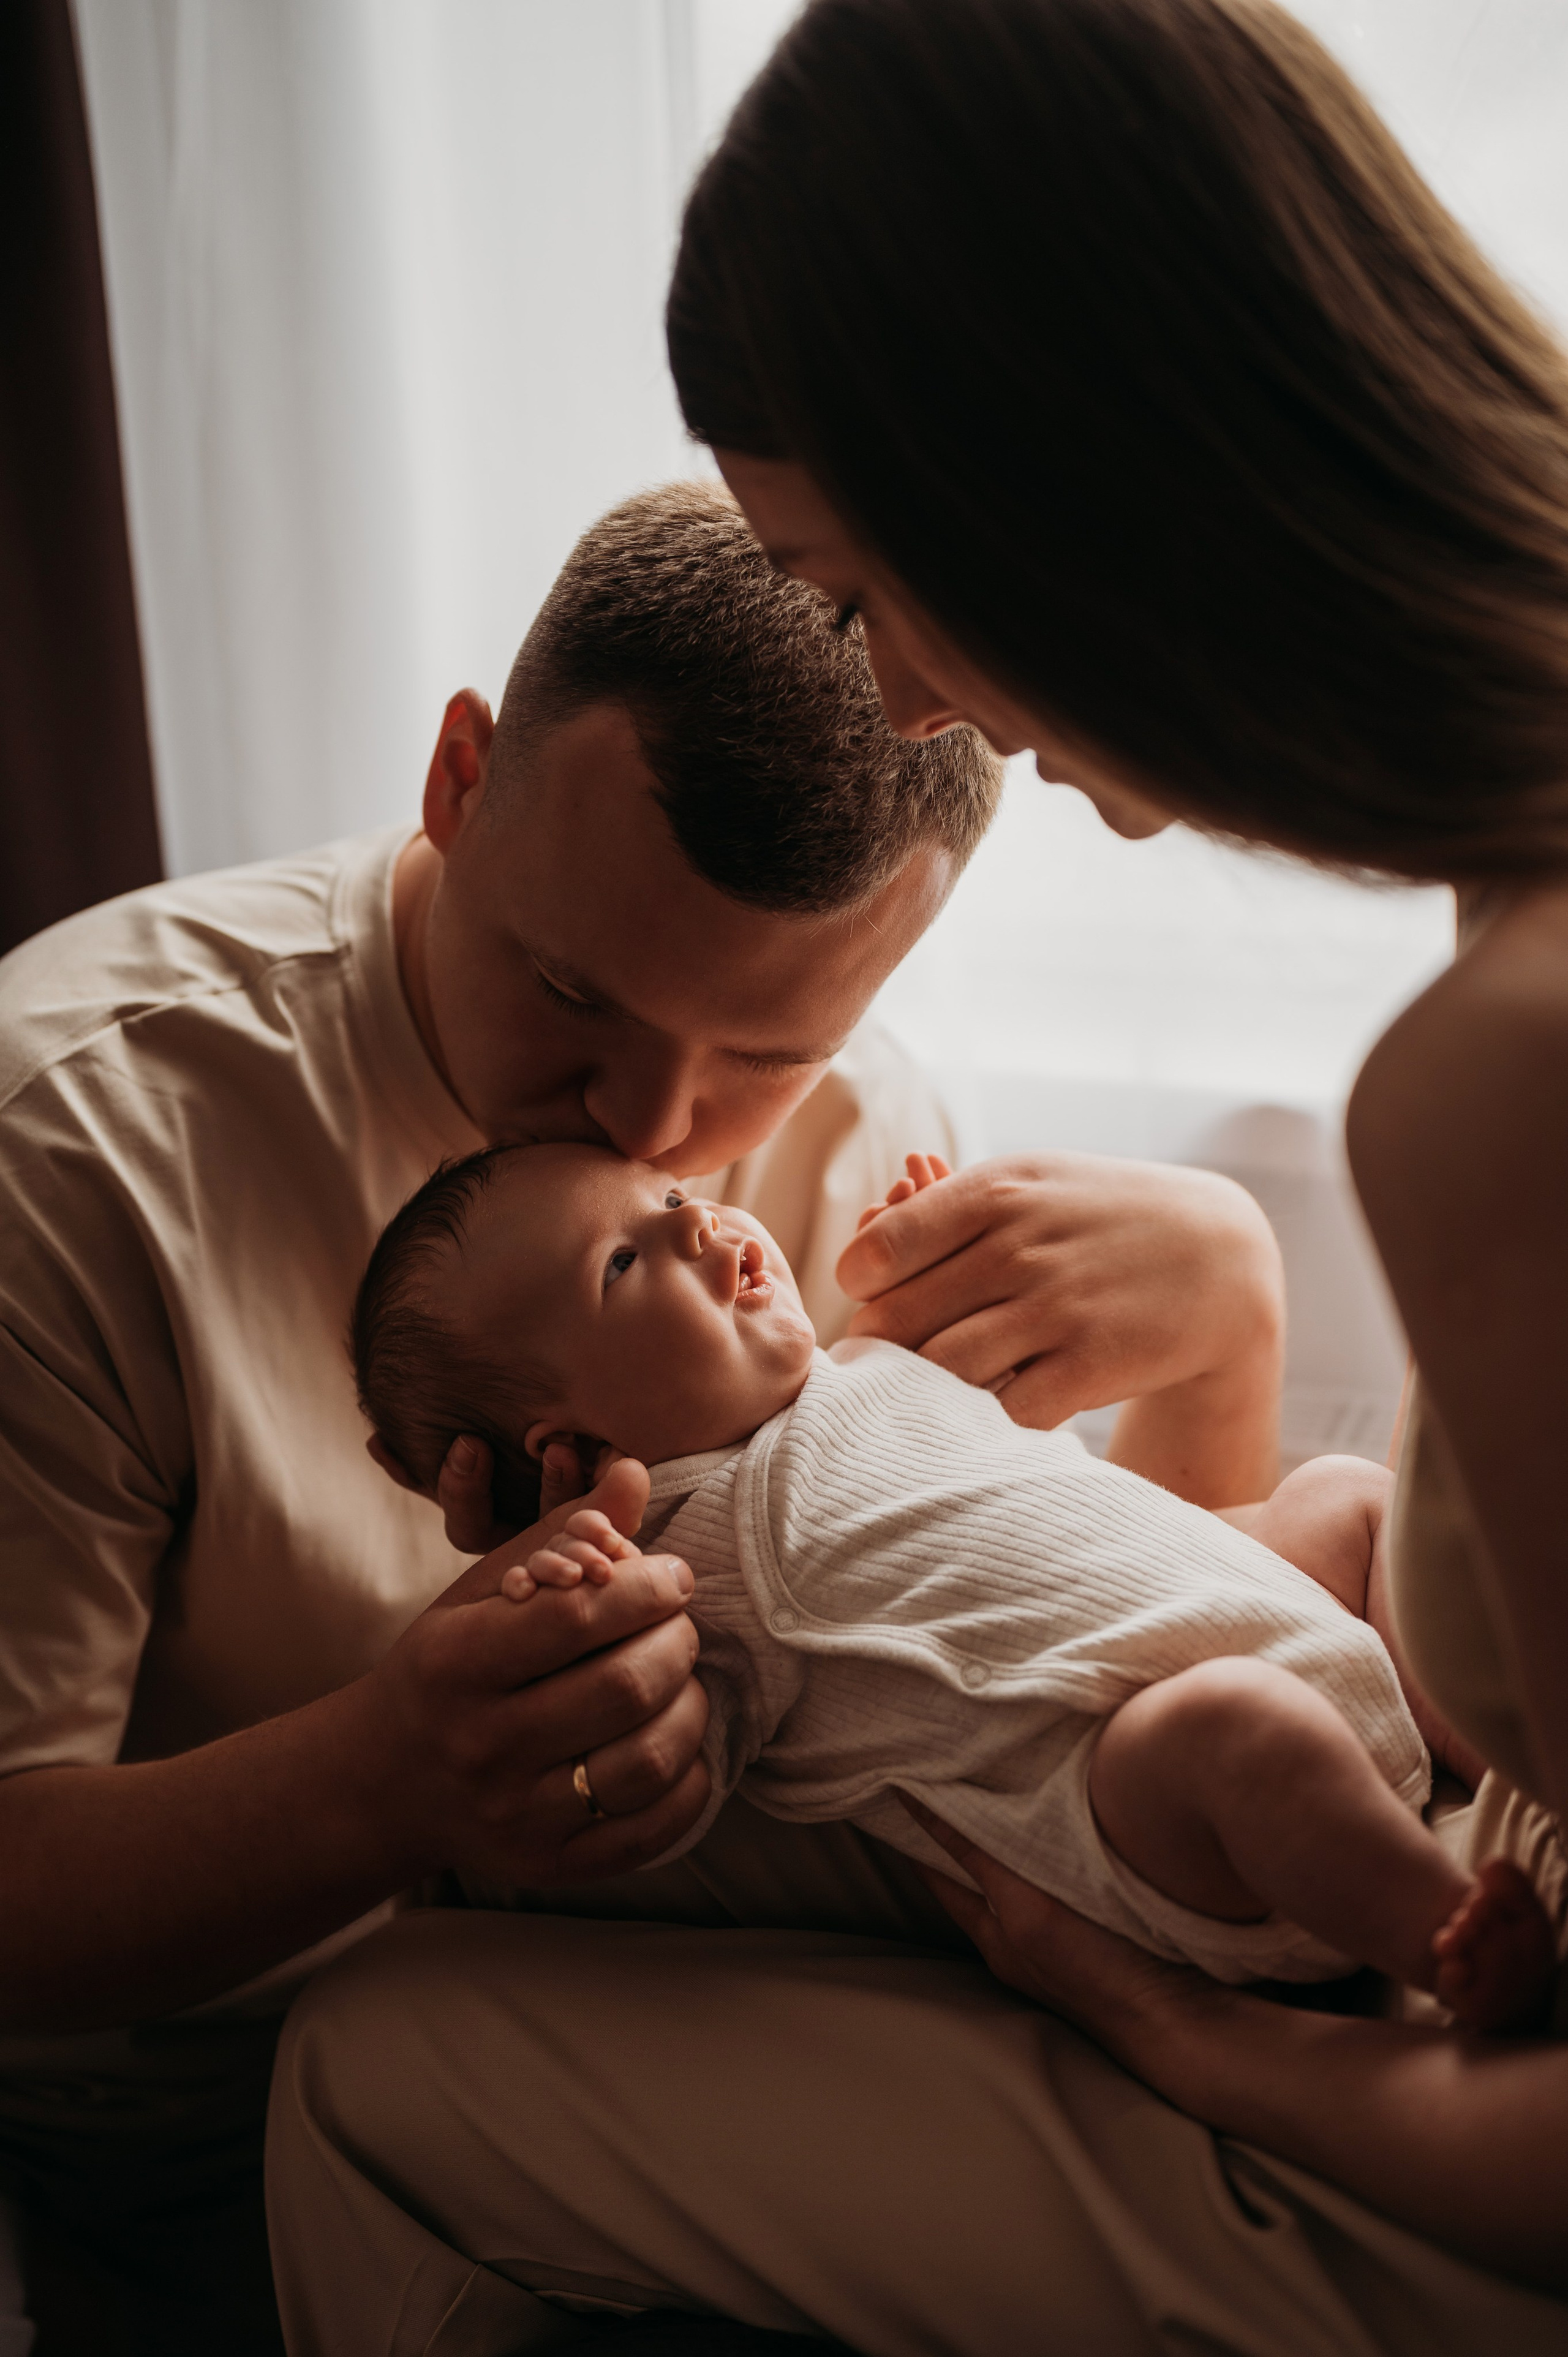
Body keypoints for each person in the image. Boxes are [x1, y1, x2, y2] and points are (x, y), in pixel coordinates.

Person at [264, 2, 1568, 2350]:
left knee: (372, 2051)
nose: (895, 712)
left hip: (1482, 2127)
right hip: (1445, 1894)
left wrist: (1200, 2046)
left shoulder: (1500, 1063)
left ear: (1045, 489)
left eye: (855, 600)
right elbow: (1076, 1611)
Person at [0, 475, 1281, 2348]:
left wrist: (1229, 1333)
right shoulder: (70, 1148)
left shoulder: (868, 1126)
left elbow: (1093, 1662)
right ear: (459, 778)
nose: (660, 1133)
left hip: (759, 1996)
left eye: (767, 1053)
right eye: (572, 995)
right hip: (207, 2119)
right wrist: (386, 1781)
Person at [352, 1136, 1548, 2023]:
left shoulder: (861, 1365)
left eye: (671, 1198)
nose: (700, 1227)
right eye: (624, 1263)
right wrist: (574, 1598)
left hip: (1265, 1624)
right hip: (1168, 1818)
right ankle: (1447, 1938)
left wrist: (930, 1254)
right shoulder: (689, 1561)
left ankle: (1521, 1757)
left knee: (1342, 1498)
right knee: (1233, 1728)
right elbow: (675, 1760)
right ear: (572, 1448)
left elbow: (976, 1428)